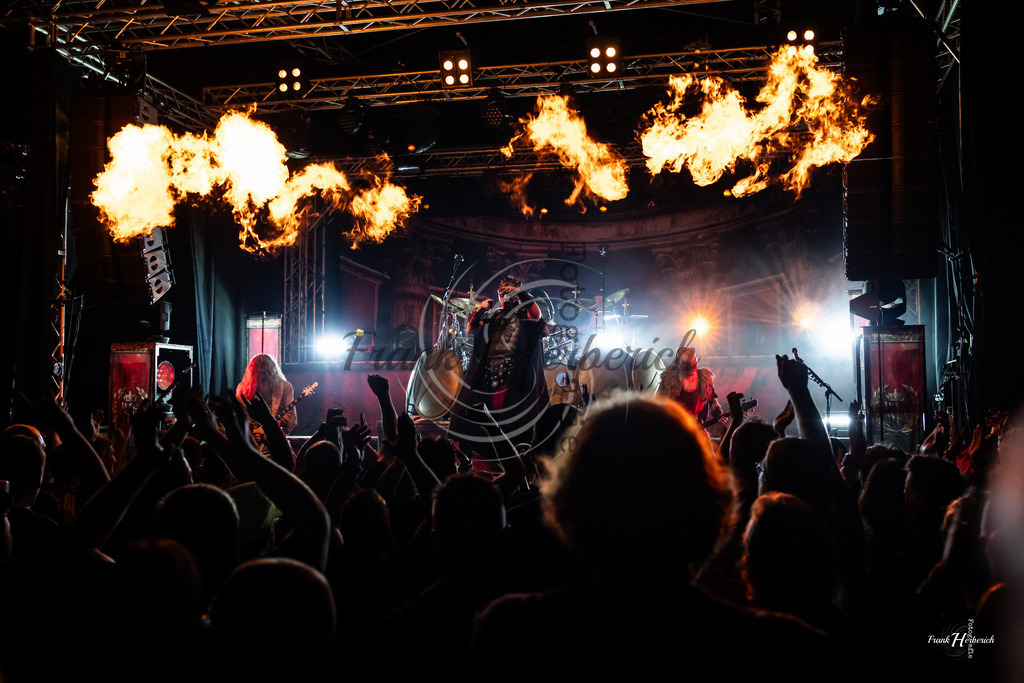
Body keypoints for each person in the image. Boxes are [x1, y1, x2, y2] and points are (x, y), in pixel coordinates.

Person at [449, 274, 549, 467]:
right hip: (489, 368)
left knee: (509, 414)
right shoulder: (494, 317)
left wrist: (521, 293)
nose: (506, 297)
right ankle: (486, 452)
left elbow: (537, 316)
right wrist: (479, 310)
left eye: (509, 293)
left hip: (514, 372)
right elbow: (472, 330)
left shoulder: (524, 315)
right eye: (503, 293)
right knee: (487, 410)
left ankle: (511, 454)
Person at [235, 354, 297, 446]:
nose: (262, 376)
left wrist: (278, 423)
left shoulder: (285, 387)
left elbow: (291, 416)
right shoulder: (242, 389)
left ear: (272, 372)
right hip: (251, 440)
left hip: (275, 439)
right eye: (258, 373)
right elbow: (240, 416)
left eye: (265, 373)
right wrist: (252, 429)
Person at [656, 345, 723, 425]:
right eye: (687, 370)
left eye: (693, 369)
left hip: (697, 428)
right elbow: (658, 405)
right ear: (679, 365)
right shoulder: (668, 382)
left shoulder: (704, 380)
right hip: (673, 429)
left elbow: (713, 402)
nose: (691, 373)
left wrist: (718, 413)